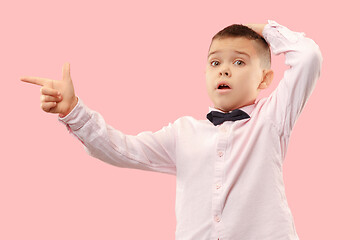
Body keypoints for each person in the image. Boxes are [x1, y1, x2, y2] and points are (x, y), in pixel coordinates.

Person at [20, 20, 322, 240]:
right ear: (205, 73)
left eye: (239, 62)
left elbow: (308, 57)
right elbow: (122, 149)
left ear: (265, 79)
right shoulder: (183, 133)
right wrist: (74, 110)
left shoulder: (272, 118)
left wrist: (266, 31)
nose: (224, 70)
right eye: (215, 62)